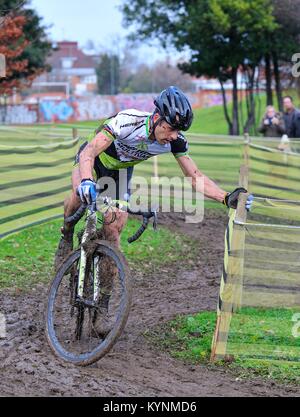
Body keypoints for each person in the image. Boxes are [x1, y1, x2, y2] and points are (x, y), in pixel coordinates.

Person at [54, 86, 253, 335]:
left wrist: (225, 197)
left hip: (120, 175)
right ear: (157, 117)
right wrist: (86, 181)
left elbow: (195, 177)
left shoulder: (174, 142)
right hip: (93, 162)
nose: (172, 135)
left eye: (177, 131)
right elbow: (90, 152)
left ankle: (100, 310)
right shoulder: (127, 121)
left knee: (113, 232)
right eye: (169, 128)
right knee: (78, 198)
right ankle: (67, 231)